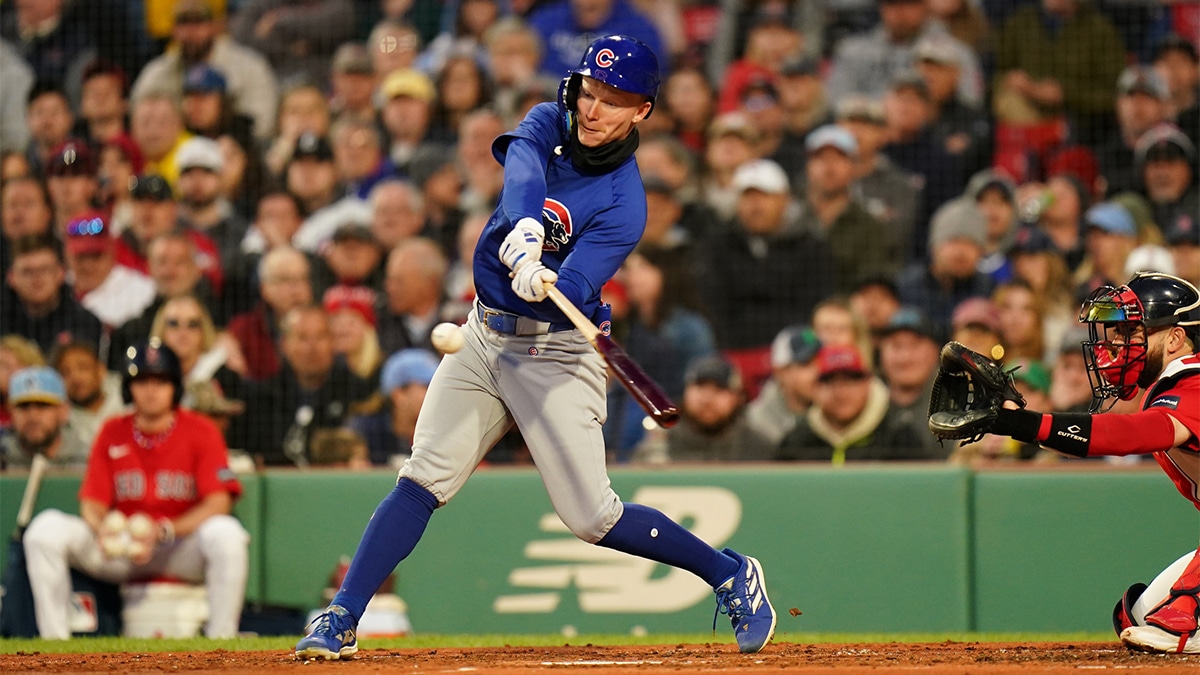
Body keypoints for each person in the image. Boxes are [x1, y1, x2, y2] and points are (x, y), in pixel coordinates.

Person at [295, 35, 777, 660]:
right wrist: (523, 231)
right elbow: (523, 170)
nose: (595, 108)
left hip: (554, 352)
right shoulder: (549, 118)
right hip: (482, 335)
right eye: (591, 90)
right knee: (422, 479)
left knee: (592, 518)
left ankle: (728, 573)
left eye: (615, 100)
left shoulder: (626, 202)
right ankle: (340, 618)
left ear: (643, 112)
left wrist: (550, 282)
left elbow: (578, 283)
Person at [964, 272, 1200, 654]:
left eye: (1132, 333)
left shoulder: (1194, 382)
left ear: (1175, 338)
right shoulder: (1174, 384)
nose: (1118, 345)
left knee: (1174, 624)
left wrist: (1022, 423)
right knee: (1141, 617)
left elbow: (1130, 436)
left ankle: (1185, 621)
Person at [21, 340, 248, 640]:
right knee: (43, 530)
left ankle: (223, 641)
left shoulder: (200, 429)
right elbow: (92, 502)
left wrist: (165, 530)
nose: (151, 390)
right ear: (129, 388)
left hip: (176, 547)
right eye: (142, 381)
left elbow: (219, 502)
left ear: (175, 387)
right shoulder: (112, 429)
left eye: (160, 380)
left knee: (227, 533)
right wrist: (103, 529)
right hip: (122, 548)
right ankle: (55, 643)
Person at [776, 344, 935, 463]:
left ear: (867, 384)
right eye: (830, 382)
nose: (841, 392)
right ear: (815, 388)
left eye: (851, 380)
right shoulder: (796, 441)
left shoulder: (900, 437)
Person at [632, 355, 773, 464]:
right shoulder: (661, 444)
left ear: (738, 397)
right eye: (700, 387)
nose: (707, 398)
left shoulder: (759, 448)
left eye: (719, 389)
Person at [349, 348, 440, 468]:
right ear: (399, 394)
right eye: (426, 386)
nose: (437, 393)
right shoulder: (364, 431)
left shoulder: (443, 432)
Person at [744, 324, 822, 448]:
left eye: (821, 362)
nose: (817, 372)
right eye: (805, 364)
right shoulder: (754, 424)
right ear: (780, 372)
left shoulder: (833, 416)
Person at [0, 366, 85, 471]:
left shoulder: (88, 460)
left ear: (63, 410)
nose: (32, 415)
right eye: (23, 406)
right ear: (11, 411)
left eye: (43, 405)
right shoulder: (3, 455)